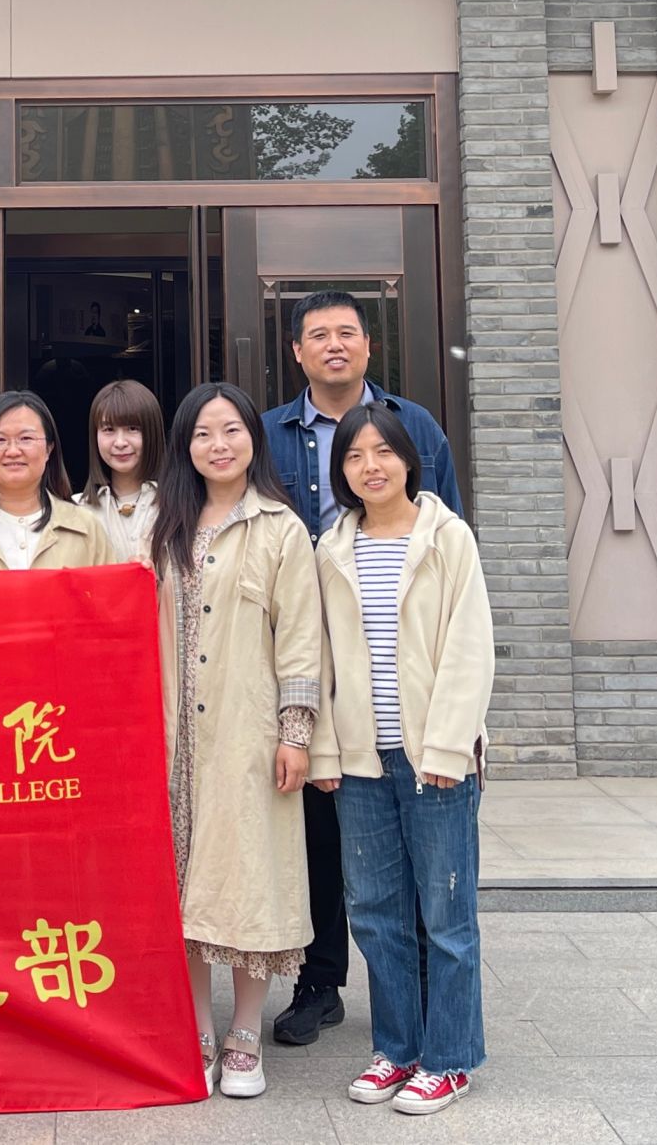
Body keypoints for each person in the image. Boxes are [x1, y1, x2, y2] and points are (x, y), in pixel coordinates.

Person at [261, 289, 463, 1049]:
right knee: (319, 827)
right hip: (306, 656)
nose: (334, 345)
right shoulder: (268, 434)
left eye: (347, 332)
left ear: (369, 345)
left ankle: (417, 991)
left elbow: (450, 538)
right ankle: (320, 983)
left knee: (411, 835)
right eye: (318, 335)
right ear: (297, 352)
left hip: (396, 652)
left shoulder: (416, 427)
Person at [310, 404, 493, 1116]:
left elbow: (470, 647)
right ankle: (397, 1049)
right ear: (342, 471)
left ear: (409, 460)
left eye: (383, 452)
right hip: (361, 761)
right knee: (375, 914)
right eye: (354, 456)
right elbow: (321, 656)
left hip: (432, 758)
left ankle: (449, 1059)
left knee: (445, 915)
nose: (371, 467)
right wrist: (325, 748)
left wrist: (449, 744)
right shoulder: (332, 548)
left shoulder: (447, 538)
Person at [149, 383, 321, 1101]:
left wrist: (295, 734)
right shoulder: (163, 525)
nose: (218, 446)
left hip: (248, 736)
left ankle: (244, 1032)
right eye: (202, 434)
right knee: (180, 886)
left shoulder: (281, 528)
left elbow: (301, 638)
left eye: (231, 431)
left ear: (255, 438)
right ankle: (195, 1029)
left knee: (250, 878)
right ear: (184, 446)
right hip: (169, 736)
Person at [0, 391, 119, 572]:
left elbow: (112, 596)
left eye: (26, 438)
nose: (13, 451)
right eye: (0, 440)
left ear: (49, 449)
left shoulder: (86, 529)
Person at [76, 378, 165, 564]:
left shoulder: (176, 506)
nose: (120, 442)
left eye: (132, 428)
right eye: (109, 429)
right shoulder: (76, 510)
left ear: (153, 433)